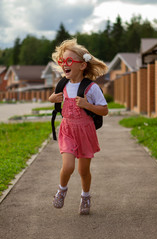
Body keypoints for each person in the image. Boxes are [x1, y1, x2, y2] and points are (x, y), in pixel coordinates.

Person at [49, 38, 108, 215]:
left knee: (83, 171)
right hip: (67, 130)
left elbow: (104, 110)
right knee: (68, 167)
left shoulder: (91, 88)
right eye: (62, 61)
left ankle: (85, 196)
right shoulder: (62, 84)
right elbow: (53, 98)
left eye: (68, 61)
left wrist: (87, 105)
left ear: (82, 66)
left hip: (85, 132)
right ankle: (62, 190)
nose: (64, 65)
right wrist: (52, 99)